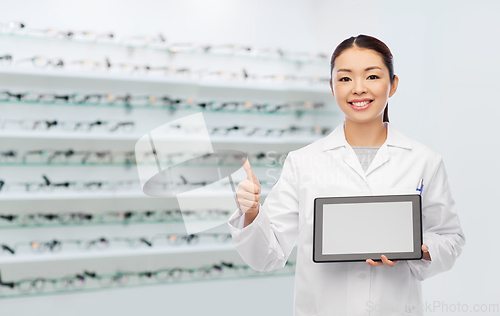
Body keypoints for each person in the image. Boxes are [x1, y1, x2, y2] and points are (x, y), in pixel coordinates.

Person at [227, 34, 466, 316]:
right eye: (345, 79)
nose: (359, 88)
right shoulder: (303, 162)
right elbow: (267, 256)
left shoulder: (424, 161)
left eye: (372, 77)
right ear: (332, 87)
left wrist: (418, 248)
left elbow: (450, 238)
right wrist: (252, 212)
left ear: (393, 85)